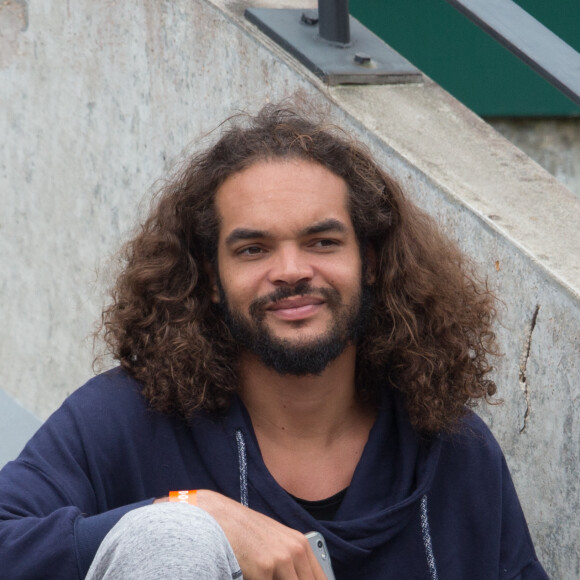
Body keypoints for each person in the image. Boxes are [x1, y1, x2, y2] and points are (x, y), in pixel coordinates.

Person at [0, 103, 548, 579]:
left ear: (372, 261)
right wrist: (196, 515)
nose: (290, 271)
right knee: (173, 539)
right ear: (211, 280)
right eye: (253, 249)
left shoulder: (451, 446)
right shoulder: (125, 418)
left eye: (322, 241)